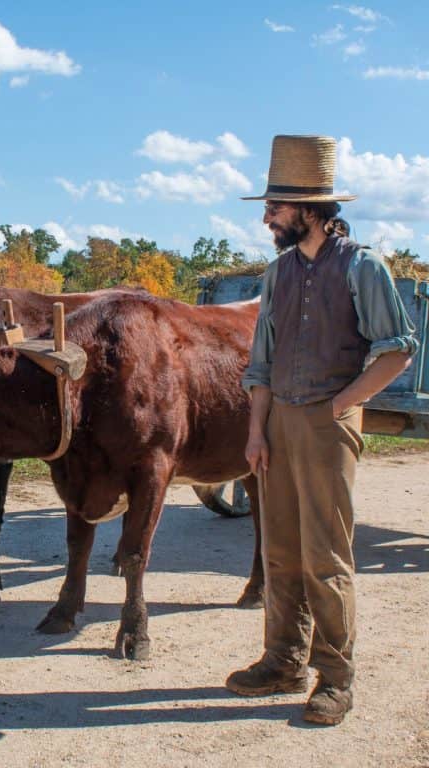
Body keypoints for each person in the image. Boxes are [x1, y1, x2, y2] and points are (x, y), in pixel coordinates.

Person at [226, 135, 418, 726]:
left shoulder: (363, 267)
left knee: (325, 557)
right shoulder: (278, 272)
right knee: (279, 551)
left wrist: (343, 406)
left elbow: (399, 349)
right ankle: (283, 662)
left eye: (274, 208)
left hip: (329, 423)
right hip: (278, 420)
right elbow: (260, 363)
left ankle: (335, 678)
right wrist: (256, 433)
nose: (265, 218)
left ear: (310, 208)